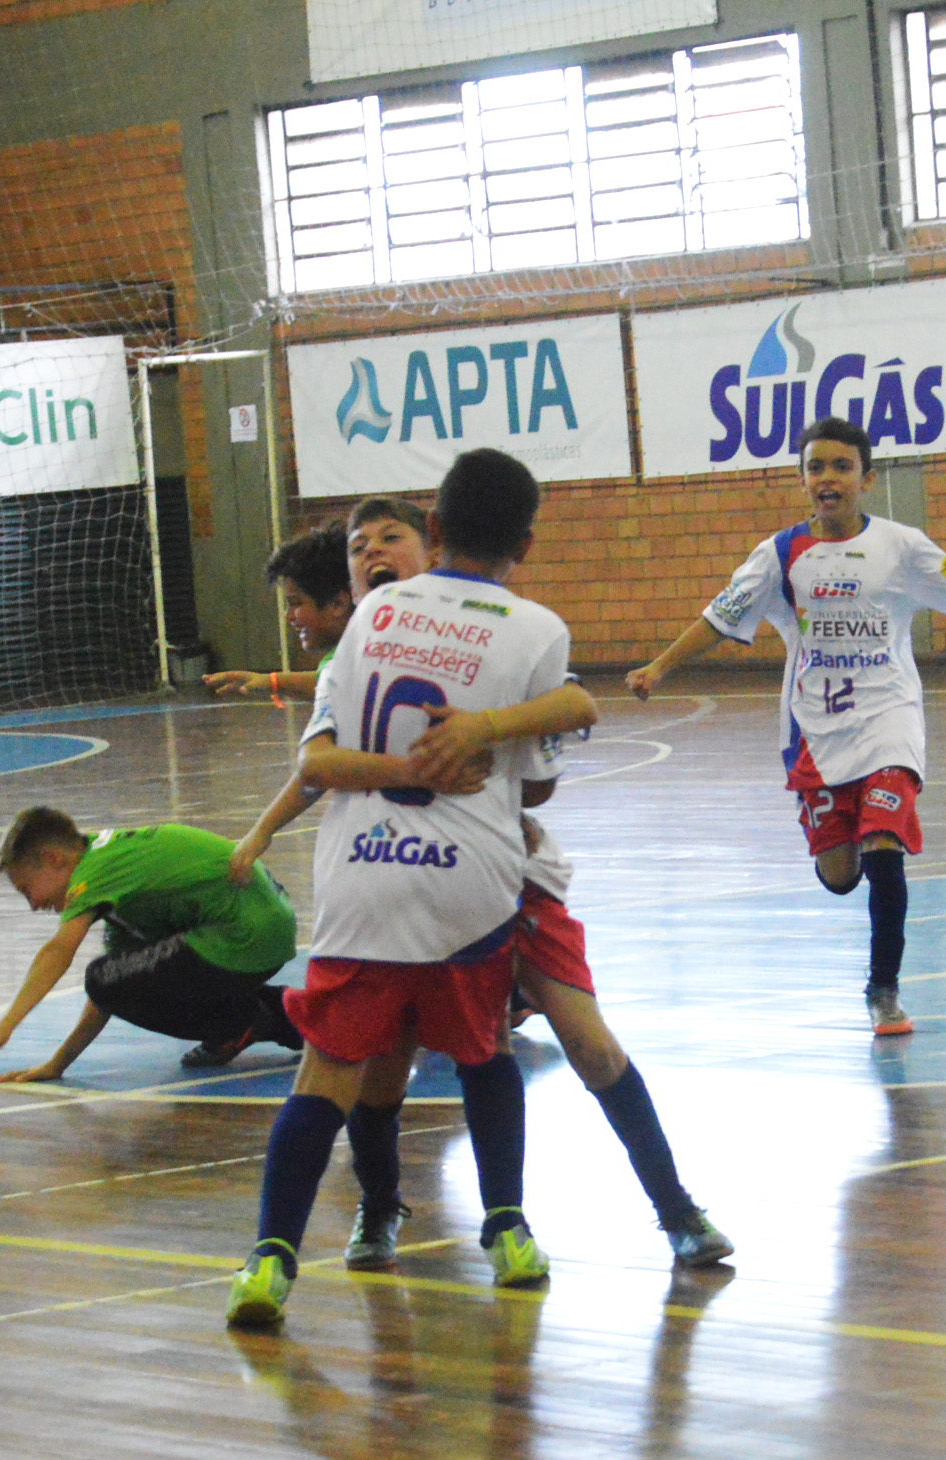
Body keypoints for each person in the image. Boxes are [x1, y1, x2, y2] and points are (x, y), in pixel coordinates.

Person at [228, 498, 733, 1272]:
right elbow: (318, 767)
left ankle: (674, 1210)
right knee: (382, 1064)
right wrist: (265, 830)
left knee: (587, 1046)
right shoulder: (356, 656)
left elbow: (567, 715)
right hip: (398, 881)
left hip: (505, 877)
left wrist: (488, 734)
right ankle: (380, 1208)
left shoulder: (489, 633)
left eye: (387, 539)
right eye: (357, 548)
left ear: (431, 549)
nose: (371, 554)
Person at [229, 447, 590, 1329]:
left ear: (433, 530)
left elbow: (315, 762)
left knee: (328, 1077)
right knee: (483, 1055)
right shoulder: (537, 630)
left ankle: (271, 1260)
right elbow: (539, 783)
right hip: (467, 880)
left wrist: (399, 764)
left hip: (362, 880)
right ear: (528, 544)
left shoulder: (377, 612)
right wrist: (482, 741)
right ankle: (506, 1228)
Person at [625, 416, 946, 1037]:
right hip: (816, 729)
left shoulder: (901, 546)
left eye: (841, 466)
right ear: (802, 481)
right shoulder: (780, 554)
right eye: (816, 468)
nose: (828, 478)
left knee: (884, 847)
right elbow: (720, 618)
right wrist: (660, 666)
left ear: (867, 478)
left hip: (889, 720)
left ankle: (884, 991)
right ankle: (834, 842)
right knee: (839, 875)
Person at [0, 809, 306, 1084]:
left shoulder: (96, 870)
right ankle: (295, 1018)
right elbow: (109, 994)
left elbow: (58, 953)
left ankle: (244, 1018)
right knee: (112, 979)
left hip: (244, 933)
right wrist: (58, 1064)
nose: (33, 905)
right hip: (259, 930)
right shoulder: (115, 879)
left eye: (27, 890)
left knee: (103, 977)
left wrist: (5, 1029)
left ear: (52, 858)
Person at [203, 521, 352, 703]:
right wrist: (272, 682)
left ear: (338, 603)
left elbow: (339, 684)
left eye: (296, 603)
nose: (288, 616)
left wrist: (273, 682)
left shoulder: (374, 651)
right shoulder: (339, 659)